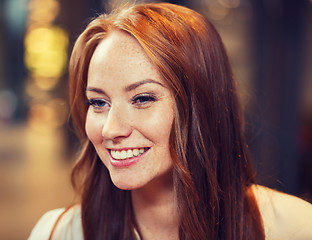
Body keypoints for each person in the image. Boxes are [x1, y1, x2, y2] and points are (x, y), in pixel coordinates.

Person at [28, 3, 312, 240]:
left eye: (142, 99)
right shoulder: (56, 233)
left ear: (202, 104)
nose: (111, 129)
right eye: (98, 102)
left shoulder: (295, 228)